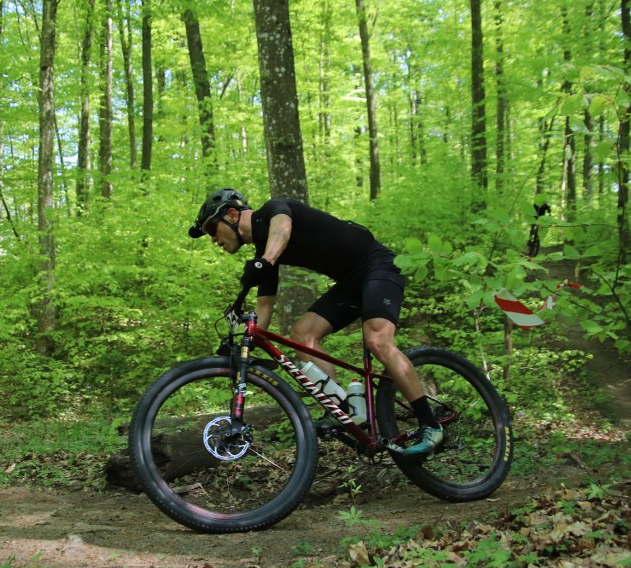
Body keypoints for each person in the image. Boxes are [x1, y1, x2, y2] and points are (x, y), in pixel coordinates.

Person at [189, 188, 442, 456]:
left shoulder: (274, 210)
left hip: (379, 266)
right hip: (350, 283)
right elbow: (264, 308)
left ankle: (431, 424)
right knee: (303, 334)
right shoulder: (265, 253)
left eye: (212, 229)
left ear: (231, 215)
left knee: (378, 340)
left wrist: (265, 262)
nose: (213, 239)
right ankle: (342, 410)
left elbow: (282, 227)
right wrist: (243, 343)